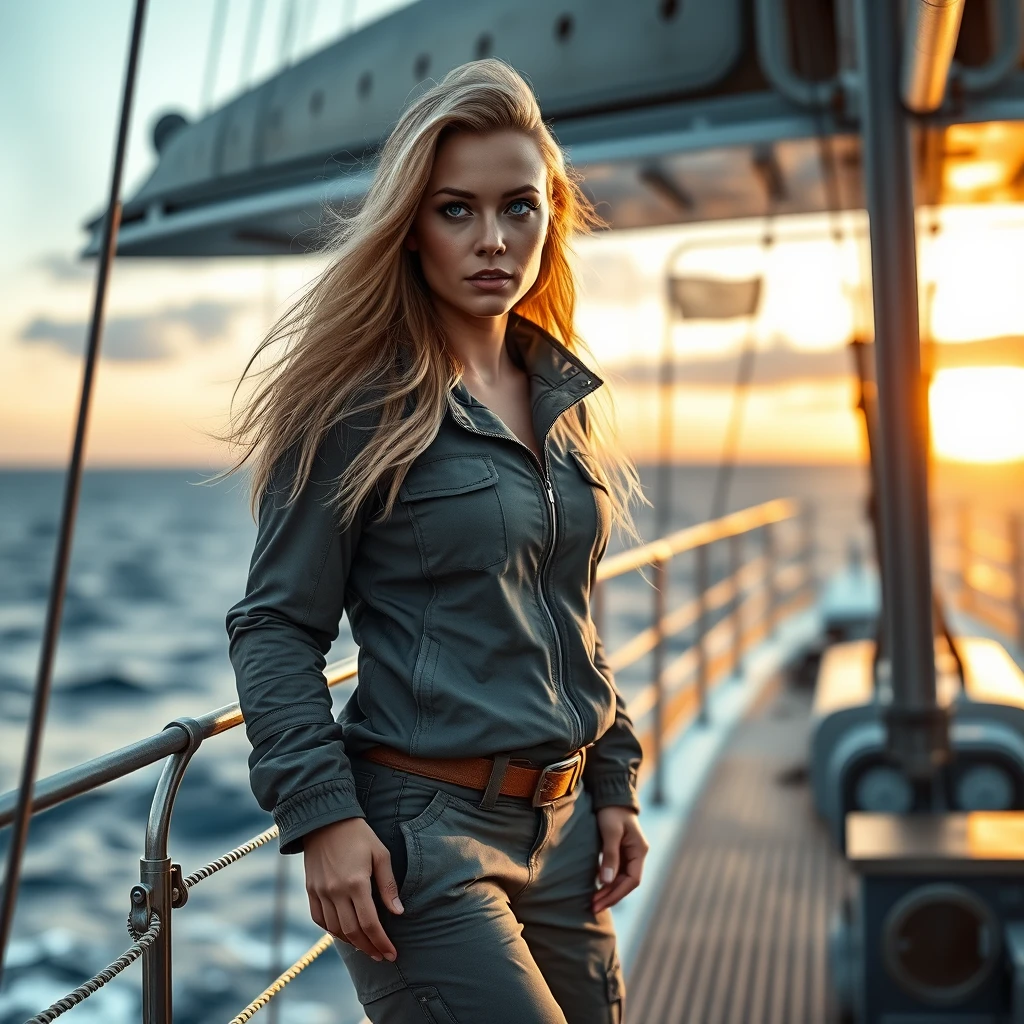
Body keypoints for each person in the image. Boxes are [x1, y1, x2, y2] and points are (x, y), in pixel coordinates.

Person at [222, 58, 649, 1024]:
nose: (494, 239)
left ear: (553, 216)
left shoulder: (563, 398)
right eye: (457, 210)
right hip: (425, 841)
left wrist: (613, 781)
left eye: (519, 207)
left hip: (570, 826)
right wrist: (323, 818)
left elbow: (568, 622)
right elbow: (275, 629)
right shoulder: (354, 409)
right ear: (411, 226)